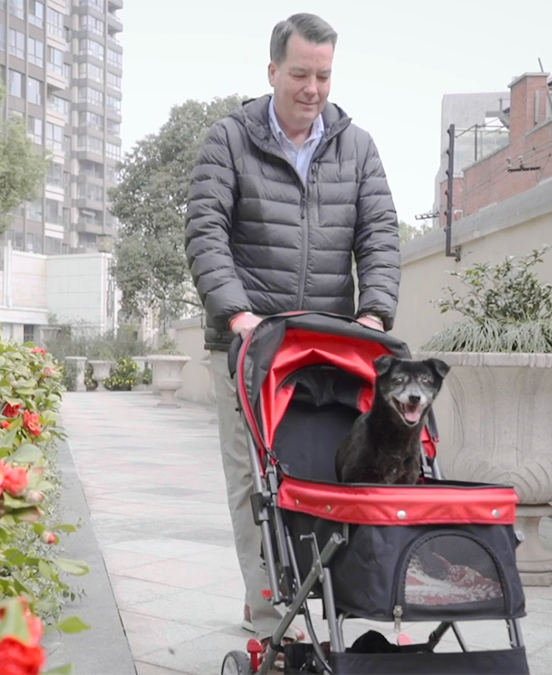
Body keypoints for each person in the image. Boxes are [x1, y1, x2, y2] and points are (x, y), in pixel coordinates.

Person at [184, 12, 401, 645]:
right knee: (255, 485)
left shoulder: (356, 146)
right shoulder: (229, 139)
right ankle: (270, 618)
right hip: (249, 348)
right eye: (301, 73)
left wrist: (375, 314)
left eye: (324, 76)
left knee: (327, 477)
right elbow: (205, 231)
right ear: (273, 70)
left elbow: (380, 235)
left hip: (328, 352)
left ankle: (333, 604)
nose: (312, 88)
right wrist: (237, 314)